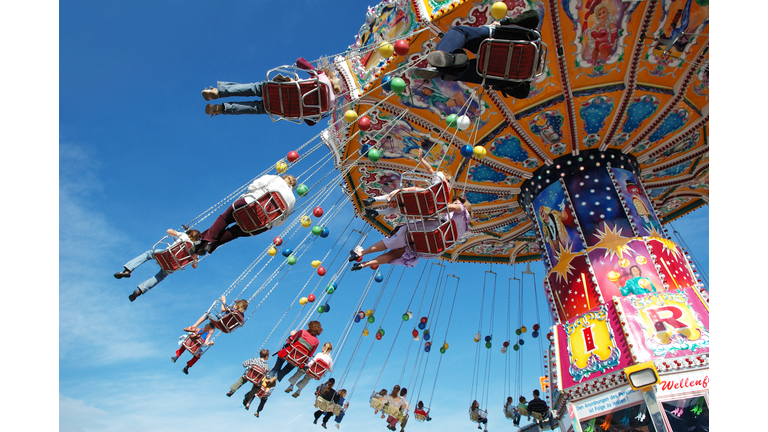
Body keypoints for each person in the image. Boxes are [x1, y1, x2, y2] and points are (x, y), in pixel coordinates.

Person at [414, 10, 541, 99]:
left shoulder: (531, 37)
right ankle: (448, 70)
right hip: (503, 72)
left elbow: (534, 15)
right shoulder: (526, 74)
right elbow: (522, 94)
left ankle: (447, 58)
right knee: (471, 72)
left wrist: (502, 23)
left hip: (500, 41)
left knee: (460, 31)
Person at [202, 57, 342, 125]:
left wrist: (316, 69)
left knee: (254, 88)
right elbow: (311, 122)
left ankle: (218, 92)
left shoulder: (322, 78)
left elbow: (300, 61)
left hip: (278, 90)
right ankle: (221, 109)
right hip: (280, 108)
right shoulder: (327, 108)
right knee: (257, 108)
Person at [349, 196, 471, 270]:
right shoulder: (464, 227)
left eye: (456, 201)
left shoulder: (461, 208)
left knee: (393, 238)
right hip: (432, 248)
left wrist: (433, 209)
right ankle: (365, 264)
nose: (454, 203)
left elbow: (451, 208)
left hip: (431, 232)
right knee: (398, 252)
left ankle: (362, 252)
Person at [198, 174, 297, 255]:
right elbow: (280, 222)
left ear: (284, 178)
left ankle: (207, 241)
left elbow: (252, 186)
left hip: (249, 204)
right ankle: (209, 245)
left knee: (225, 218)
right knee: (235, 233)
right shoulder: (292, 200)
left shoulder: (274, 178)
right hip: (260, 224)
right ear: (293, 187)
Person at [114, 228, 201, 302]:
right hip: (173, 266)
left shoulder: (184, 236)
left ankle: (127, 270)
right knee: (161, 276)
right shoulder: (195, 252)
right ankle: (140, 290)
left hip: (165, 255)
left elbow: (169, 231)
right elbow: (194, 266)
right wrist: (196, 259)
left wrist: (179, 232)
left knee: (149, 254)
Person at [361, 149, 452, 218]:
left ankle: (373, 199)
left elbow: (430, 171)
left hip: (425, 197)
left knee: (398, 194)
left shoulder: (440, 176)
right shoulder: (446, 193)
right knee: (400, 207)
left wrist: (421, 159)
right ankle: (377, 212)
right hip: (427, 207)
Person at [184, 295, 248, 333]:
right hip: (226, 328)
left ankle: (194, 326)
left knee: (207, 314)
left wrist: (224, 301)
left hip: (220, 321)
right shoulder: (241, 316)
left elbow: (222, 309)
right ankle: (200, 334)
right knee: (212, 323)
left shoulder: (234, 310)